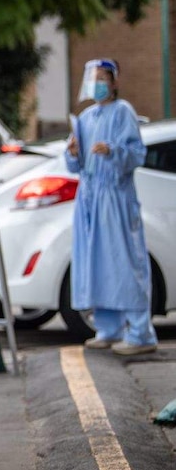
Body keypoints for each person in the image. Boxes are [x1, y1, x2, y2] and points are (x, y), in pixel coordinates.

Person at [65, 58, 157, 355]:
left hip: (116, 199)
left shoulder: (123, 112)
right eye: (93, 78)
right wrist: (73, 153)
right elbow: (74, 166)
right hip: (89, 199)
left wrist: (113, 150)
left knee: (125, 264)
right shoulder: (86, 117)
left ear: (114, 81)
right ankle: (108, 327)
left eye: (103, 78)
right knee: (97, 265)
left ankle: (141, 334)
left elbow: (136, 154)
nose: (97, 84)